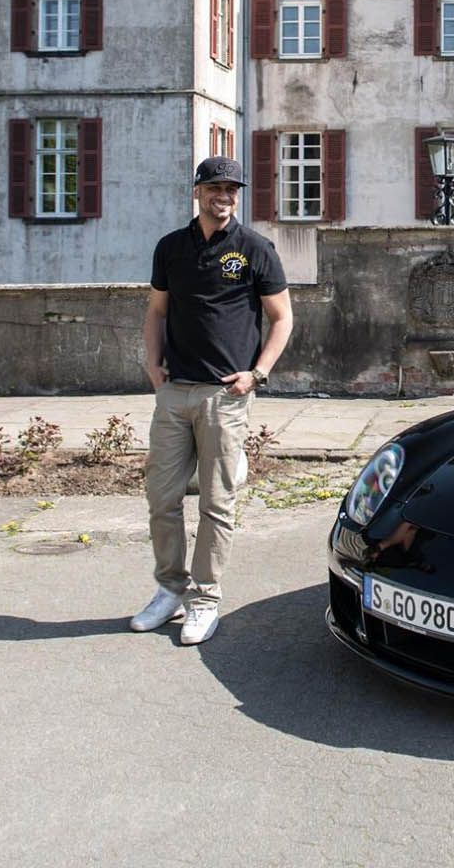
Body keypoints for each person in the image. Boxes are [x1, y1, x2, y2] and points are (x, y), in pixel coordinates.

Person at [130, 155, 292, 645]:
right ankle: (170, 589)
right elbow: (157, 312)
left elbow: (281, 317)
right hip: (175, 391)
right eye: (216, 188)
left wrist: (257, 373)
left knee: (217, 504)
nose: (224, 196)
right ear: (198, 192)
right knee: (161, 499)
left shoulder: (255, 248)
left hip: (226, 395)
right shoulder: (171, 248)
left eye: (232, 190)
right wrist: (153, 365)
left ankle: (204, 600)